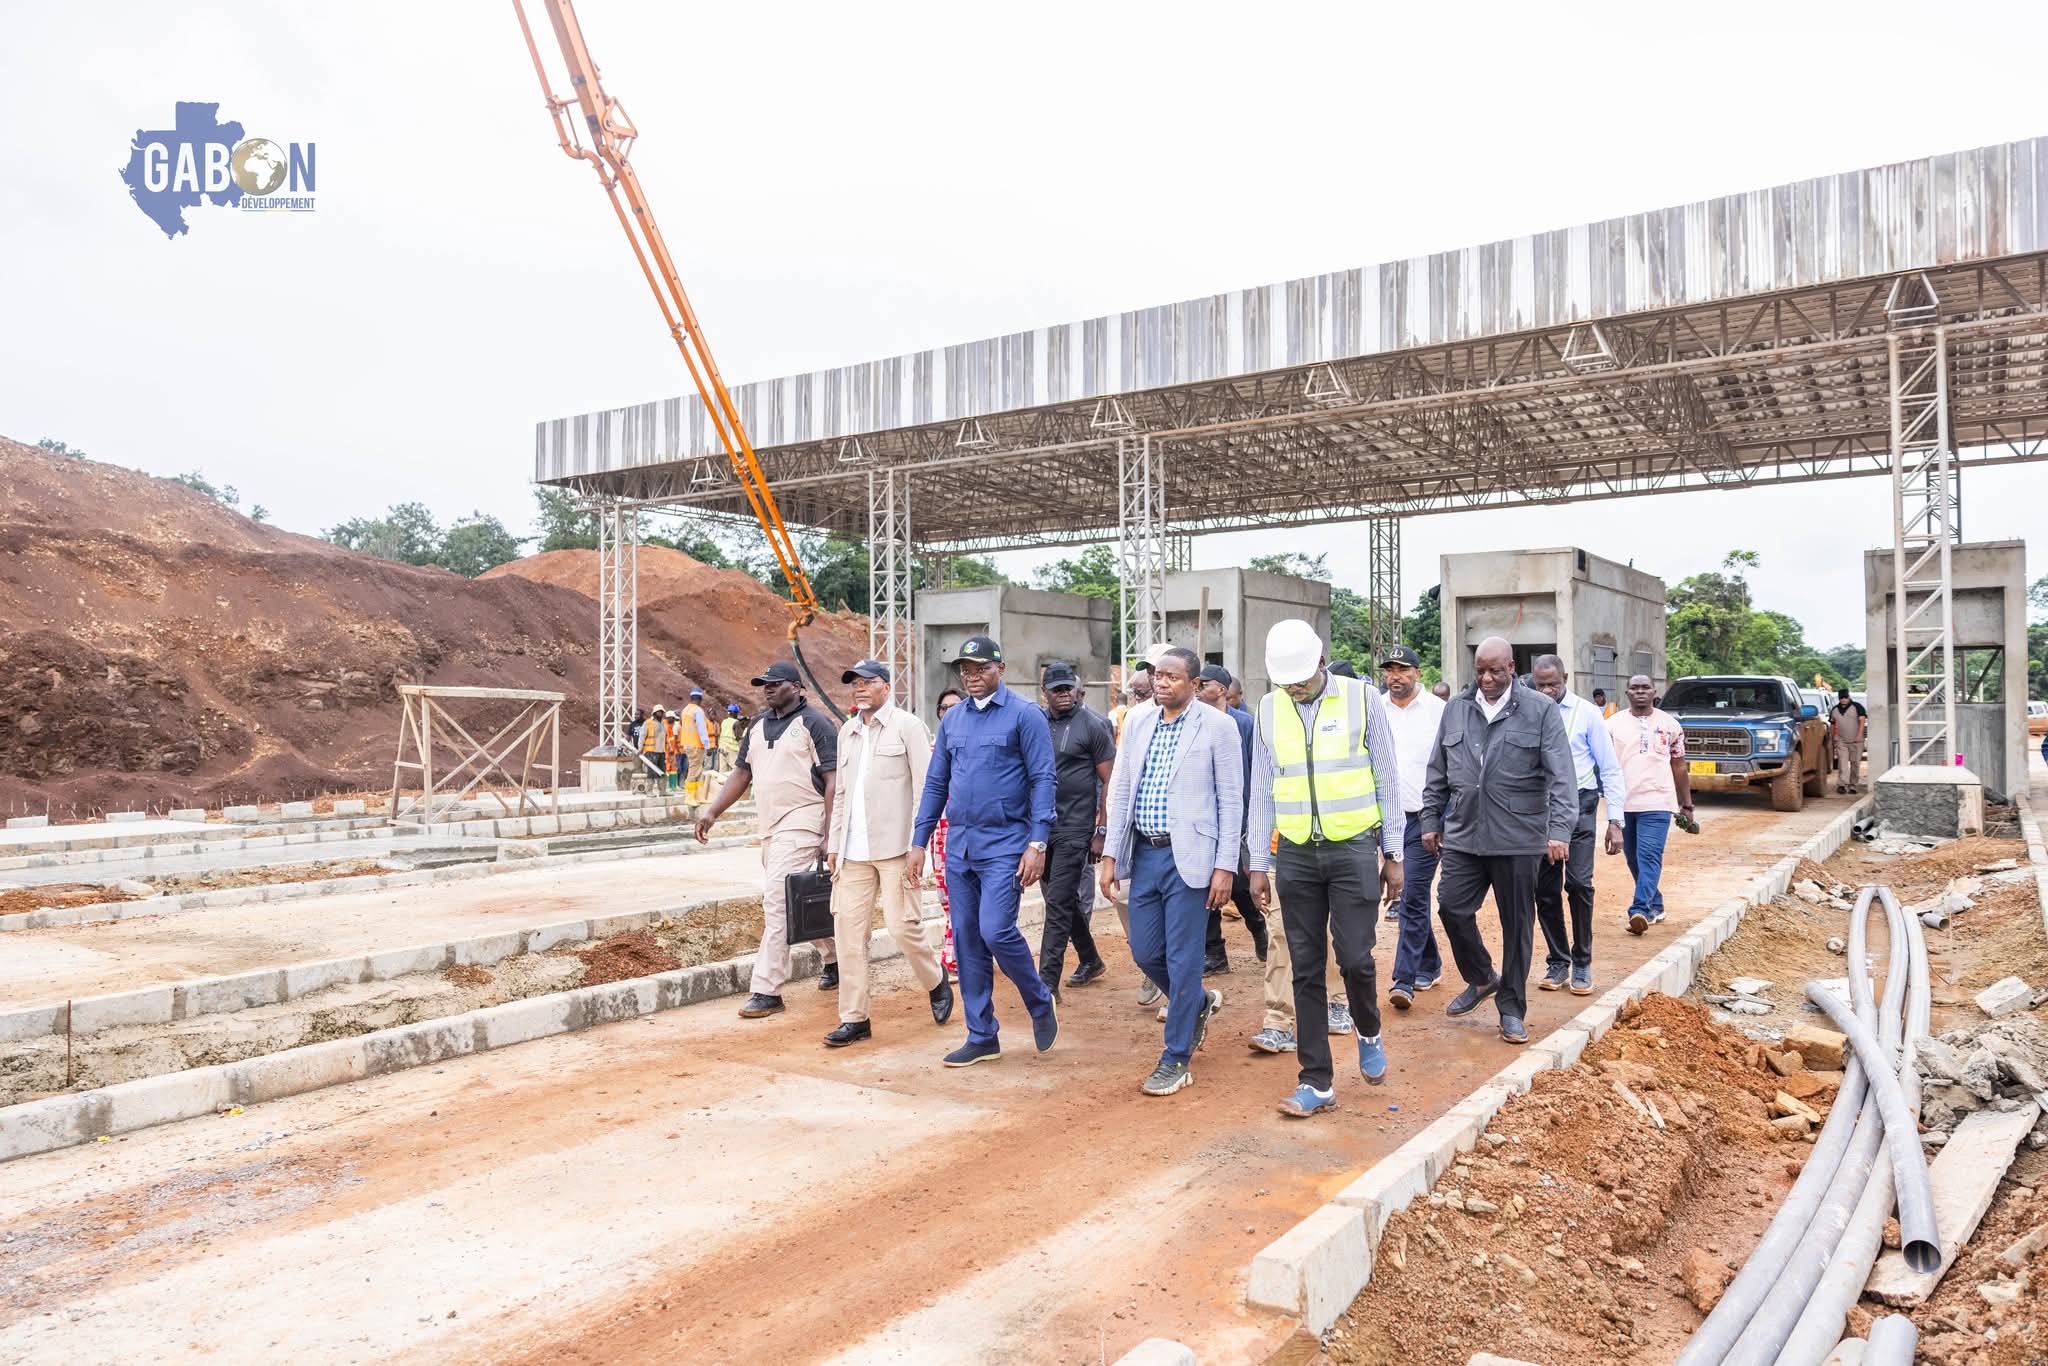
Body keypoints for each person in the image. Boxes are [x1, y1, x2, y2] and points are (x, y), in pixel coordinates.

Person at [1248, 620, 1406, 1117]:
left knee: (1355, 958)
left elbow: (1387, 777)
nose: (1293, 688)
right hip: (1295, 852)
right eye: (1285, 681)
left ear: (1320, 661)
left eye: (1300, 678)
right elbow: (1262, 789)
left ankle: (1368, 1028)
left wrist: (1394, 854)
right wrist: (1258, 862)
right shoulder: (1269, 708)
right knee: (1305, 965)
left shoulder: (1362, 699)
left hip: (1352, 847)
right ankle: (1316, 1081)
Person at [908, 636, 1059, 1066]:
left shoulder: (1025, 715)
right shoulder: (953, 720)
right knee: (967, 939)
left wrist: (1037, 842)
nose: (972, 677)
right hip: (961, 845)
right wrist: (919, 840)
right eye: (966, 671)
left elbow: (1043, 779)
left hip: (1006, 844)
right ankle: (981, 1034)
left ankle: (1038, 1000)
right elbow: (936, 782)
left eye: (981, 669)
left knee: (995, 930)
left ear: (1001, 669)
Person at [1100, 647, 1242, 1097]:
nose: (1160, 683)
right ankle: (1196, 1001)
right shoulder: (1139, 721)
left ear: (1194, 685)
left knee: (1184, 959)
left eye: (1171, 677)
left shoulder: (1218, 726)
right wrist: (1110, 855)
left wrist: (1225, 866)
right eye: (1157, 675)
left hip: (1192, 857)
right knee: (1144, 951)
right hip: (1145, 853)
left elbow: (1231, 800)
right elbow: (1122, 788)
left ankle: (1176, 1057)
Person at [1422, 636, 1575, 1047]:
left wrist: (1559, 830)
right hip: (1464, 833)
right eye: (1480, 672)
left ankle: (1511, 1008)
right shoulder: (1457, 708)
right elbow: (1438, 770)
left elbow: (1562, 776)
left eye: (1495, 671)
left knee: (1517, 925)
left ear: (1512, 668)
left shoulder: (1539, 709)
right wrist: (1430, 820)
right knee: (1451, 907)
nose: (1487, 679)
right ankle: (1481, 977)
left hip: (1519, 836)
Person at [695, 661, 839, 1018]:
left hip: (804, 820)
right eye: (764, 684)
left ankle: (767, 989)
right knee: (795, 898)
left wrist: (830, 834)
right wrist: (712, 811)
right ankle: (836, 958)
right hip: (770, 828)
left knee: (776, 901)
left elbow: (834, 781)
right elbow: (741, 774)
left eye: (775, 683)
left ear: (797, 687)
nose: (768, 688)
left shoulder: (815, 723)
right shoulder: (757, 725)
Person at [822, 660, 953, 1047]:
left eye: (867, 682)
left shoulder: (908, 727)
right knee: (848, 934)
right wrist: (834, 844)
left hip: (897, 848)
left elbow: (927, 787)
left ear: (886, 687)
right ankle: (855, 1018)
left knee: (901, 926)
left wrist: (919, 843)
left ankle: (935, 979)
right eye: (854, 683)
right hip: (852, 852)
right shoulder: (847, 732)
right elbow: (841, 793)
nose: (859, 689)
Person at [1527, 654, 1626, 997]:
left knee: (1580, 885)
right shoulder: (1527, 711)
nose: (1547, 691)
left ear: (1565, 678)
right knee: (1545, 890)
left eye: (1553, 684)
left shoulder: (1587, 713)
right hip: (1540, 810)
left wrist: (1615, 820)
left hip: (1581, 805)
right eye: (1540, 685)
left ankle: (1582, 961)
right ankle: (1558, 961)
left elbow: (1609, 768)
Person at [1037, 662, 1117, 997]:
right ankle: (1091, 959)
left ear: (1076, 689)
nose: (1064, 693)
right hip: (1042, 827)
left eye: (1068, 688)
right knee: (1062, 899)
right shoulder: (1036, 722)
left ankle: (1046, 986)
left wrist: (1101, 831)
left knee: (1057, 904)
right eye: (1056, 689)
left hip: (1076, 827)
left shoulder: (1093, 725)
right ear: (1044, 692)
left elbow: (1109, 781)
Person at [1379, 645, 1447, 1009]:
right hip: (1387, 819)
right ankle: (1429, 962)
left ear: (1418, 673)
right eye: (1390, 670)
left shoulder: (1438, 711)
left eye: (1403, 669)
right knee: (1413, 898)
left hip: (1427, 819)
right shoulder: (1375, 709)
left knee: (1412, 894)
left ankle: (1402, 980)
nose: (1396, 676)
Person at [1606, 674, 1694, 936]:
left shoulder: (1670, 725)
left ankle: (1640, 910)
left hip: (1658, 801)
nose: (1640, 691)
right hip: (1623, 803)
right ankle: (1655, 904)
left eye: (1645, 687)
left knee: (1649, 856)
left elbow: (1679, 766)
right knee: (1633, 858)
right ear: (1627, 693)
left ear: (1655, 692)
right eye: (1634, 688)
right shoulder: (1612, 725)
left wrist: (1686, 804)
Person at [1195, 664, 1267, 971]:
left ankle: (1259, 929)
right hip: (1204, 817)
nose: (1198, 688)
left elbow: (1255, 771)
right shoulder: (1194, 721)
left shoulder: (1245, 724)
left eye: (1204, 684)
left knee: (1238, 884)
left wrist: (1251, 818)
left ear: (1222, 690)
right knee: (1204, 885)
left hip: (1239, 816)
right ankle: (1215, 953)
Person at [930, 688, 964, 981]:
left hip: (968, 829)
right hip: (939, 833)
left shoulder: (974, 744)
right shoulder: (931, 750)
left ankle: (955, 957)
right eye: (944, 708)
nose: (949, 712)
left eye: (956, 706)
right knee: (946, 894)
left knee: (962, 894)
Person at [1830, 688, 1868, 794]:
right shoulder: (1835, 710)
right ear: (1839, 698)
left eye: (1845, 697)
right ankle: (1842, 785)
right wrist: (1834, 736)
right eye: (1841, 698)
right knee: (1842, 763)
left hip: (1856, 741)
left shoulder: (1857, 707)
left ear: (1849, 697)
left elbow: (1862, 721)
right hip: (1841, 741)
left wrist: (1859, 735)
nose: (1843, 699)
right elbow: (1832, 723)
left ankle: (1853, 785)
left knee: (1855, 763)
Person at [678, 690, 712, 802]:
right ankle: (690, 797)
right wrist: (707, 745)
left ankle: (698, 796)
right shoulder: (698, 710)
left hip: (687, 743)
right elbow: (702, 729)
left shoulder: (685, 710)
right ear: (700, 699)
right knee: (694, 771)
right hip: (696, 744)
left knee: (698, 770)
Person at [640, 705, 670, 787]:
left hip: (662, 751)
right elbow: (642, 736)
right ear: (654, 713)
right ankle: (649, 789)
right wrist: (640, 748)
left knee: (662, 771)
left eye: (662, 712)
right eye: (659, 712)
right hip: (651, 751)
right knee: (651, 772)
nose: (661, 713)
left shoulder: (664, 723)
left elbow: (666, 737)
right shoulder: (648, 723)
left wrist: (668, 748)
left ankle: (662, 789)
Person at [716, 703, 743, 778]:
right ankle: (734, 784)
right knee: (735, 767)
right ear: (735, 713)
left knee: (723, 768)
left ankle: (721, 783)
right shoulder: (736, 722)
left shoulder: (724, 721)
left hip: (722, 747)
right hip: (731, 748)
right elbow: (738, 736)